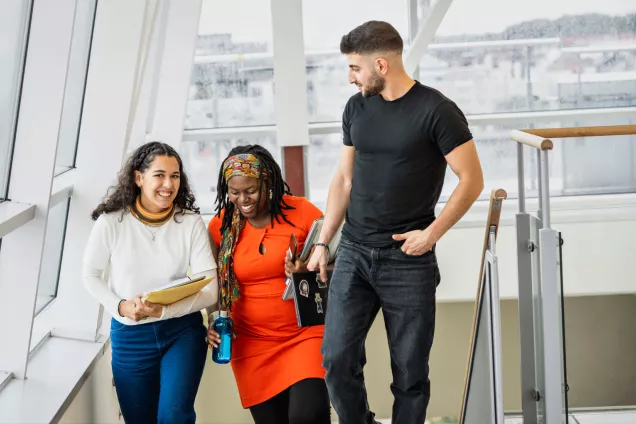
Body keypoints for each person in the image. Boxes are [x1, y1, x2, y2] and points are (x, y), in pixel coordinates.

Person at [307, 21, 485, 424]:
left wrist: (431, 234)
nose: (350, 77)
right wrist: (323, 242)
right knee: (336, 358)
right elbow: (344, 179)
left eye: (355, 68)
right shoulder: (356, 108)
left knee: (410, 374)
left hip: (408, 259)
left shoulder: (437, 110)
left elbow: (472, 180)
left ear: (381, 65)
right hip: (353, 251)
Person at [83, 141, 218, 424]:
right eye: (159, 175)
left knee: (174, 416)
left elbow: (210, 288)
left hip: (182, 332)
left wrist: (163, 312)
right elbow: (91, 276)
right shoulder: (110, 222)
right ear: (138, 177)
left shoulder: (190, 222)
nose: (168, 184)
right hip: (130, 336)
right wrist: (120, 306)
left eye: (175, 176)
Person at [206, 145, 331, 424]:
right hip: (251, 343)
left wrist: (305, 270)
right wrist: (214, 319)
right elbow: (213, 281)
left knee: (308, 415)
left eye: (250, 191)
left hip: (304, 333)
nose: (242, 200)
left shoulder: (301, 211)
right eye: (234, 192)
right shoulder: (220, 225)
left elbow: (337, 258)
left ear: (269, 183)